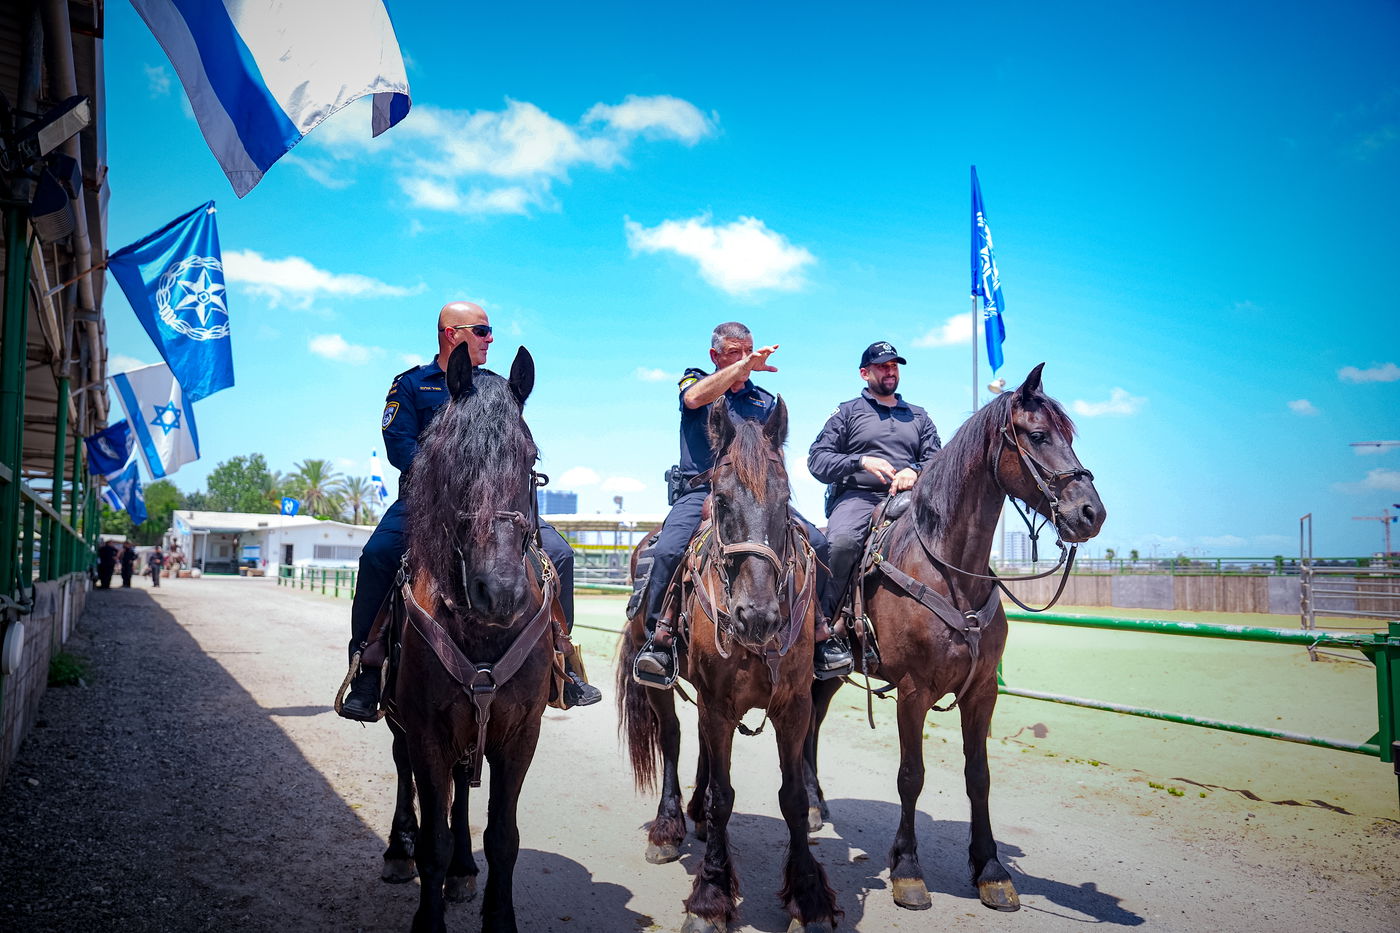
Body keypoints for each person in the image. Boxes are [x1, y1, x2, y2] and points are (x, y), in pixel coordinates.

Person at [339, 300, 600, 722]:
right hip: (425, 501)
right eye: (482, 331)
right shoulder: (411, 384)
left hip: (494, 504)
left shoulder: (495, 386)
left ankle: (562, 662)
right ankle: (367, 669)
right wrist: (445, 479)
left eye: (489, 331)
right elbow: (398, 446)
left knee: (561, 554)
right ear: (451, 334)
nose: (490, 338)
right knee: (378, 557)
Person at [632, 322, 854, 687]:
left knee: (817, 542)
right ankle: (661, 639)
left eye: (747, 352)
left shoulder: (764, 401)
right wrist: (742, 367)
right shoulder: (695, 381)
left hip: (755, 496)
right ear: (715, 356)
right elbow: (693, 400)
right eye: (734, 353)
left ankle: (821, 634)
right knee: (670, 549)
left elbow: (774, 457)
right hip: (700, 491)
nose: (743, 360)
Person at [808, 341, 942, 625]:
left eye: (893, 366)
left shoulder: (919, 416)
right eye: (882, 366)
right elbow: (817, 461)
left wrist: (915, 471)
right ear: (864, 373)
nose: (890, 371)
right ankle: (824, 626)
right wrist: (860, 461)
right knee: (841, 544)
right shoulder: (847, 412)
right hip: (858, 498)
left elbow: (938, 461)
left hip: (911, 499)